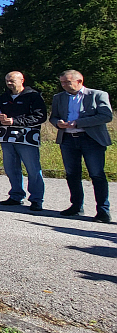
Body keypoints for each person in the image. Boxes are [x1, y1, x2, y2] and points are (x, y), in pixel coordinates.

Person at [49, 70, 113, 223]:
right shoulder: (59, 97)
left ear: (79, 81)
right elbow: (53, 117)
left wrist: (78, 123)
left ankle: (103, 210)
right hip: (68, 139)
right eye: (62, 82)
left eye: (67, 82)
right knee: (72, 174)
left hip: (91, 139)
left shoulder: (97, 95)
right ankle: (76, 206)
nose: (64, 85)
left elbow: (106, 116)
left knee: (97, 174)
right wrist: (58, 123)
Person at [0, 71, 47, 211]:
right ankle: (16, 195)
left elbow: (40, 116)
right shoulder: (3, 97)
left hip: (27, 138)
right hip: (6, 137)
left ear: (22, 80)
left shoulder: (33, 96)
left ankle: (36, 199)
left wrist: (15, 121)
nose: (9, 83)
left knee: (33, 169)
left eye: (12, 80)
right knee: (11, 168)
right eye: (7, 81)